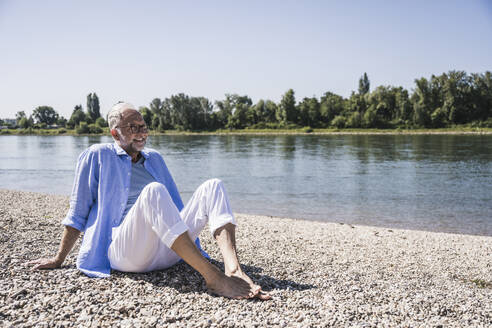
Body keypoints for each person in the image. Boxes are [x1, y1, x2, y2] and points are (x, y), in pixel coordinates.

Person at [29, 102, 270, 300]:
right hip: (126, 254)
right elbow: (78, 211)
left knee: (213, 185)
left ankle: (234, 269)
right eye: (132, 127)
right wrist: (59, 258)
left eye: (143, 126)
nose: (141, 132)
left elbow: (175, 207)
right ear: (115, 133)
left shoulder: (154, 158)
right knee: (154, 191)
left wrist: (194, 242)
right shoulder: (97, 156)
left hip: (167, 252)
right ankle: (214, 278)